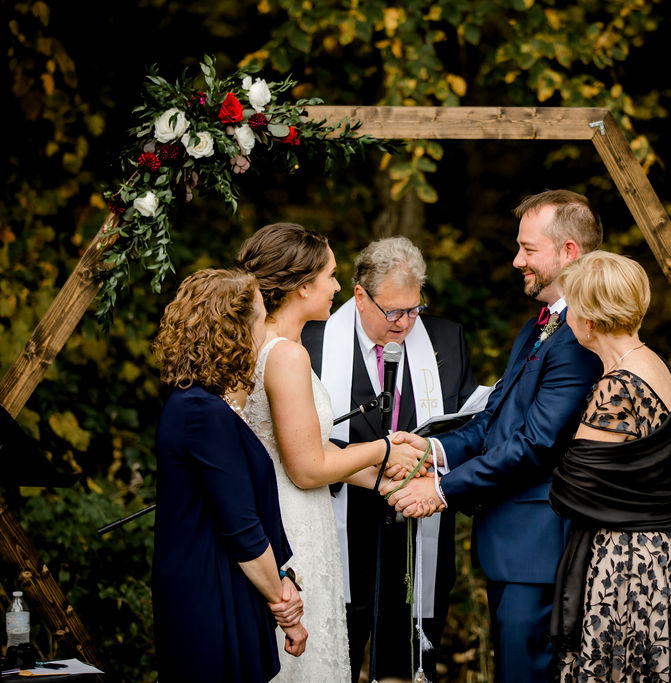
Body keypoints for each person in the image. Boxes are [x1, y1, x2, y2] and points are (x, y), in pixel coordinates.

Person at [388, 190, 605, 682]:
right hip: (513, 545)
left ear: (569, 251)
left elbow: (536, 444)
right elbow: (494, 417)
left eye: (528, 249)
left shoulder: (581, 335)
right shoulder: (539, 328)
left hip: (540, 546)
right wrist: (433, 448)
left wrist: (442, 489)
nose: (517, 260)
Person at [235, 223, 426, 682]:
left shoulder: (263, 344)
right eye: (330, 276)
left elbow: (301, 452)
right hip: (292, 519)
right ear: (302, 287)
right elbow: (306, 468)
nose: (339, 287)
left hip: (285, 508)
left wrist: (393, 483)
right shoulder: (287, 355)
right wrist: (382, 448)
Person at [301, 237, 477, 682]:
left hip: (420, 520)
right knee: (338, 648)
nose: (406, 322)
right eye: (394, 311)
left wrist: (426, 462)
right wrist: (379, 464)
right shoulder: (311, 341)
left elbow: (466, 427)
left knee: (407, 658)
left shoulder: (447, 337)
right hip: (340, 515)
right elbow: (302, 436)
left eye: (414, 309)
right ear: (360, 295)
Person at [548, 250, 671, 681]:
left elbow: (570, 489)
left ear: (590, 321)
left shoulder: (617, 386)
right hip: (662, 555)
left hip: (623, 564)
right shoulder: (656, 366)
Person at [152, 268, 307, 682]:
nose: (265, 328)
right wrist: (284, 607)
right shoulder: (202, 413)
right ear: (233, 331)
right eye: (260, 318)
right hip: (208, 594)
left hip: (213, 584)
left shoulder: (197, 404)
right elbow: (241, 527)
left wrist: (284, 575)